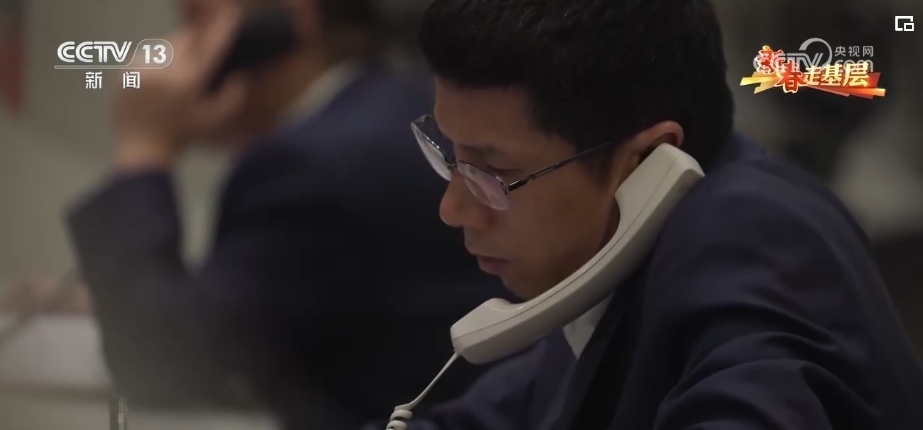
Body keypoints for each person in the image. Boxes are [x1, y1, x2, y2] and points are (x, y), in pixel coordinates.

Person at [366, 0, 923, 428]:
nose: (453, 208)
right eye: (451, 156)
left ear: (643, 162)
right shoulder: (618, 252)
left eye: (493, 172)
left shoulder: (755, 245)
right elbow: (508, 412)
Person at [63, 0, 507, 428]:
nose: (178, 49)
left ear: (287, 21)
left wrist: (143, 146)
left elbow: (160, 365)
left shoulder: (307, 164)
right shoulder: (395, 103)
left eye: (198, 23)